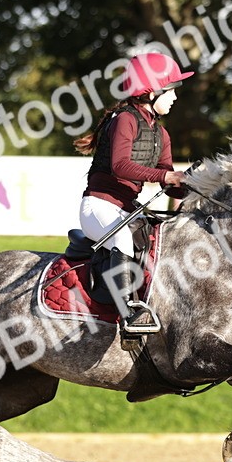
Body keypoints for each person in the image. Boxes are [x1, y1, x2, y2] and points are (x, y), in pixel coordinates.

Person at [75, 51, 191, 336]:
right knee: (122, 237)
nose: (175, 97)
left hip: (128, 209)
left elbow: (169, 180)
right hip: (98, 206)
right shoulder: (124, 120)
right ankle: (129, 313)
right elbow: (120, 166)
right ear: (151, 91)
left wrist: (194, 186)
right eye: (172, 91)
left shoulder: (161, 135)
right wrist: (165, 175)